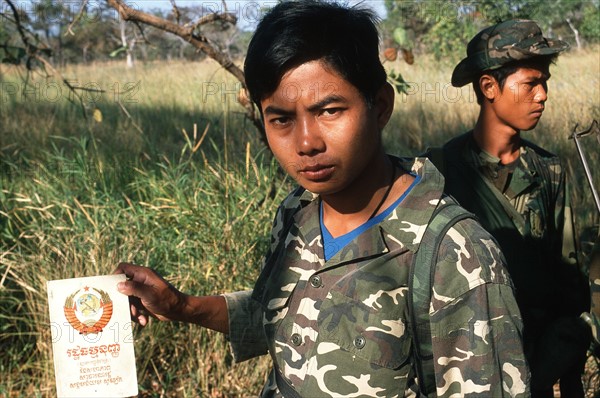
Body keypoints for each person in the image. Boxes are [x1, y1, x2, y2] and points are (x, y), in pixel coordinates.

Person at [116, 2, 529, 396]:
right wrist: (181, 306)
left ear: (380, 105)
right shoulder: (299, 212)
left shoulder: (455, 256)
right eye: (281, 119)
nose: (307, 142)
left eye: (330, 111)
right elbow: (277, 313)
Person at [425, 19, 591, 397]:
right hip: (465, 366)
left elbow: (565, 271)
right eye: (531, 83)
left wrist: (567, 366)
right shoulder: (440, 171)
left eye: (545, 81)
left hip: (538, 366)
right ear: (488, 87)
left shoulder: (548, 170)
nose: (543, 95)